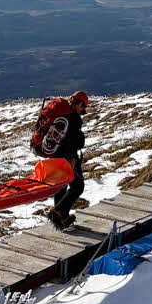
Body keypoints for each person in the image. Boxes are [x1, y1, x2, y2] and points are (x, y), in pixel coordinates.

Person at [48, 90, 89, 230]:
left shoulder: (60, 114)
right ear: (80, 104)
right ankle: (57, 212)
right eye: (83, 107)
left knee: (61, 186)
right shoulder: (73, 117)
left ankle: (61, 220)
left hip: (53, 156)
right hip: (68, 158)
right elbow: (75, 142)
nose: (83, 110)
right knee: (78, 186)